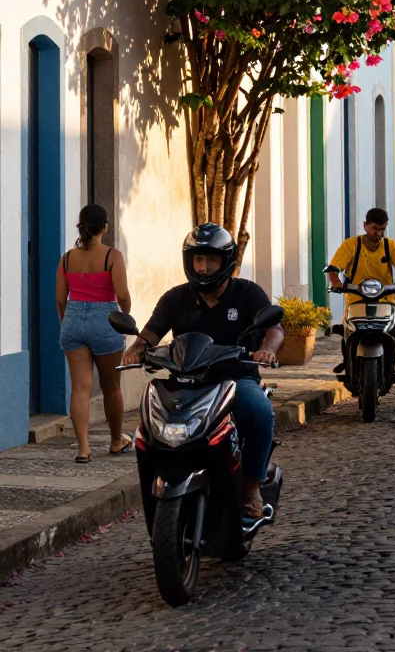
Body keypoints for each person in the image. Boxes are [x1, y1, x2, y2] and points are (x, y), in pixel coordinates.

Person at [121, 223, 283, 521]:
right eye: (198, 260)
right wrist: (138, 348)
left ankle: (251, 486)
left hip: (236, 380)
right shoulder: (175, 298)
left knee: (259, 411)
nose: (204, 267)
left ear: (226, 261)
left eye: (211, 260)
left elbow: (274, 328)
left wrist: (268, 350)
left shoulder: (247, 293)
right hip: (186, 383)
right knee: (150, 423)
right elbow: (150, 334)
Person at [56, 204, 132, 463]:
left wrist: (66, 322)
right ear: (105, 227)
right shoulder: (112, 256)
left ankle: (83, 449)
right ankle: (115, 441)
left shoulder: (67, 258)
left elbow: (59, 299)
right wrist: (126, 316)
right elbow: (121, 295)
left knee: (80, 388)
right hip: (106, 321)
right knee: (111, 386)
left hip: (73, 320)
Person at [326, 207, 395, 379]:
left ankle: (390, 365)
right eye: (374, 228)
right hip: (356, 299)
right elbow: (334, 268)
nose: (378, 234)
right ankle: (348, 362)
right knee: (348, 332)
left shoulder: (391, 246)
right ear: (365, 225)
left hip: (386, 300)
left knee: (393, 333)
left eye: (382, 229)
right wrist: (336, 282)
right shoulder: (351, 245)